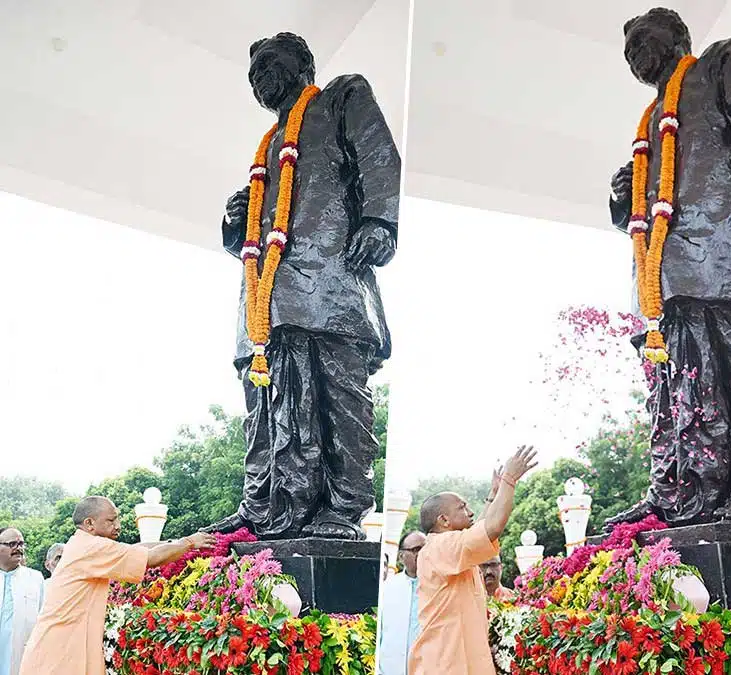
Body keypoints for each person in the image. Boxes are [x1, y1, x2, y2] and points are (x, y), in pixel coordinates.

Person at [604, 7, 731, 528]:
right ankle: (682, 488)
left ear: (677, 37)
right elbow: (644, 212)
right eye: (628, 50)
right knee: (678, 385)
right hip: (667, 279)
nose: (635, 53)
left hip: (725, 253)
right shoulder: (651, 122)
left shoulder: (716, 65)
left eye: (644, 39)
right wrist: (625, 196)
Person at [207, 31, 401, 540]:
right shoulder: (268, 147)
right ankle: (262, 504)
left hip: (329, 281)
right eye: (253, 73)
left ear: (302, 64)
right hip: (266, 302)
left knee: (340, 399)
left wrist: (380, 222)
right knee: (263, 405)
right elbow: (253, 240)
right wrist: (237, 218)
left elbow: (380, 157)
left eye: (269, 64)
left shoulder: (340, 98)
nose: (260, 77)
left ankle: (343, 507)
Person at [19, 496, 217, 675]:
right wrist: (190, 542)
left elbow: (134, 549)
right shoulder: (91, 547)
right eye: (111, 520)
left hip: (62, 648)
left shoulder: (83, 543)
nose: (118, 525)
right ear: (89, 523)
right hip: (58, 655)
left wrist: (174, 542)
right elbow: (151, 558)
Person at [408, 446, 538, 675]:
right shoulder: (441, 546)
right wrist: (509, 480)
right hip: (445, 665)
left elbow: (479, 528)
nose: (469, 511)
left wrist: (494, 495)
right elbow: (491, 527)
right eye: (462, 507)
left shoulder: (448, 546)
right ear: (444, 520)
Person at [379, 531, 425, 675]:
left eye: (426, 549)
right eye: (416, 550)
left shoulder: (440, 587)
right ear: (401, 556)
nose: (422, 554)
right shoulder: (388, 587)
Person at [0, 528, 43, 675]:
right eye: (12, 544)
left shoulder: (35, 578)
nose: (18, 548)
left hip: (24, 656)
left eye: (21, 544)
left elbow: (44, 618)